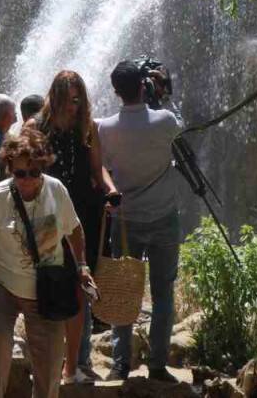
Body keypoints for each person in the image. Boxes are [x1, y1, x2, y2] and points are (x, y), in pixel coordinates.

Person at [0, 128, 97, 398]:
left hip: (45, 288)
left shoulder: (56, 191)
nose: (27, 180)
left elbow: (74, 230)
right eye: (20, 173)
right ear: (9, 170)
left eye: (34, 173)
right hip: (2, 283)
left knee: (51, 362)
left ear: (42, 168)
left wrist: (82, 265)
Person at [27, 71, 117, 384]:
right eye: (67, 99)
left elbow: (97, 168)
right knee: (49, 283)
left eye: (77, 99)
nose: (73, 106)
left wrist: (111, 189)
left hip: (83, 214)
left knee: (80, 284)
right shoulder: (35, 127)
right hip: (47, 215)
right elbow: (23, 168)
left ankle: (74, 366)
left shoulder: (87, 128)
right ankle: (48, 361)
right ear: (56, 96)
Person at [97, 61, 183, 383]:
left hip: (126, 221)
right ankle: (157, 366)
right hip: (163, 218)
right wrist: (164, 92)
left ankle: (120, 365)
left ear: (116, 91)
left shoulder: (105, 128)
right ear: (144, 84)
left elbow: (102, 166)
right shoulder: (165, 120)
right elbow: (182, 132)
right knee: (163, 294)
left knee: (123, 291)